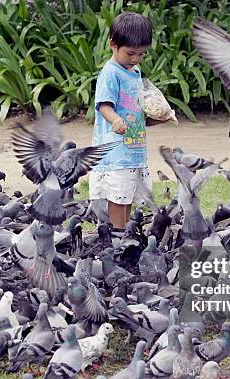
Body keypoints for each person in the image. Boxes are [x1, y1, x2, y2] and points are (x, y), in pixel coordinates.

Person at [88, 12, 154, 231]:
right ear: (113, 45)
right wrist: (115, 119)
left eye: (141, 54)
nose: (136, 59)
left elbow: (136, 106)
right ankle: (117, 234)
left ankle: (125, 230)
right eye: (131, 53)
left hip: (133, 146)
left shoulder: (134, 71)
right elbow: (104, 105)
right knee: (117, 195)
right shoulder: (110, 73)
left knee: (127, 193)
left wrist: (153, 117)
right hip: (115, 150)